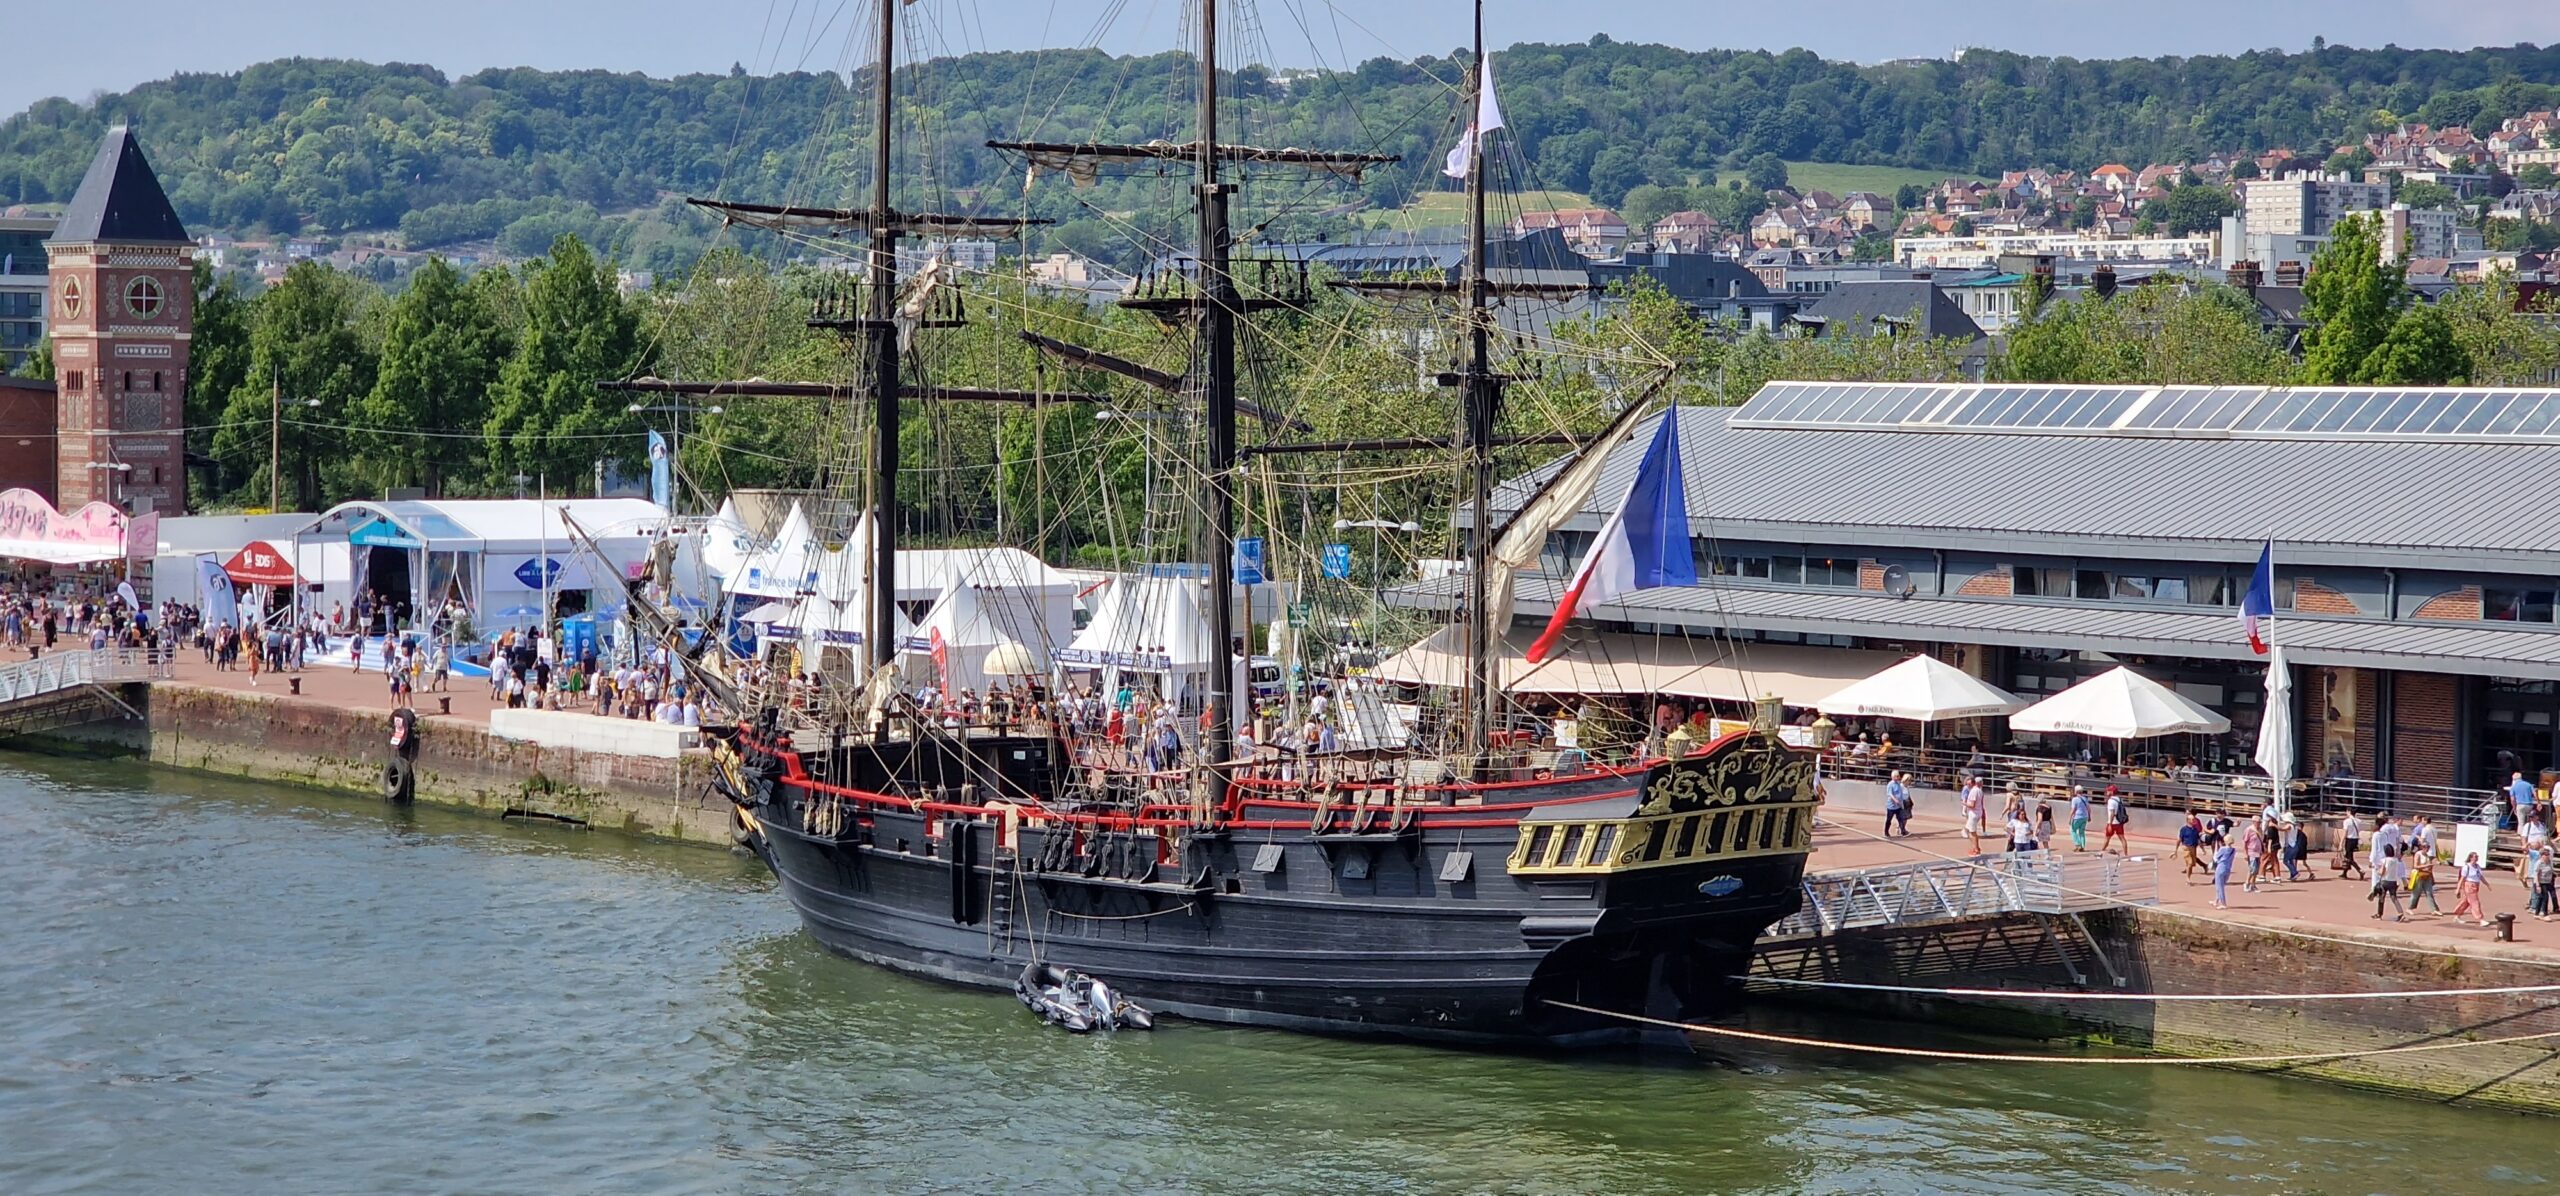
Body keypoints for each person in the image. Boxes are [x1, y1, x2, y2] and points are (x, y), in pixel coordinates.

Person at [2452, 853, 2491, 926]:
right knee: (2475, 902)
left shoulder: (2477, 866)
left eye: (2477, 857)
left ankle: (2457, 915)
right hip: (2469, 886)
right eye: (2475, 857)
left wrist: (2487, 884)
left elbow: (2480, 877)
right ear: (2471, 858)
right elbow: (2462, 878)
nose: (2476, 858)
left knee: (2466, 902)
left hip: (2476, 885)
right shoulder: (2467, 867)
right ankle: (2481, 919)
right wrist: (2458, 889)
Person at [2371, 843, 2408, 921]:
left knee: (2381, 898)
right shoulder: (2395, 860)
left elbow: (2382, 872)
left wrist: (2376, 870)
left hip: (2385, 881)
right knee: (2394, 898)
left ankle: (2379, 914)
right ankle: (2400, 913)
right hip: (2393, 882)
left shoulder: (2384, 860)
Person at [2406, 847, 2442, 916]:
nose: (2427, 849)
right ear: (2422, 847)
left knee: (2429, 892)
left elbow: (2430, 865)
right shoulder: (2418, 854)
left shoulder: (2427, 855)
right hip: (2419, 875)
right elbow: (2415, 866)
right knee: (2416, 893)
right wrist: (2426, 865)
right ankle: (2409, 908)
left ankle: (2434, 909)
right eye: (2426, 847)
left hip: (2427, 875)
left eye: (2428, 847)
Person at [2209, 832, 2237, 909]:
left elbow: (2216, 857)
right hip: (2228, 868)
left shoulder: (2222, 849)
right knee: (2221, 884)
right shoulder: (2234, 850)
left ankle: (2223, 903)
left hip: (2221, 867)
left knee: (2219, 886)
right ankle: (2216, 900)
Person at [2337, 812, 2367, 880]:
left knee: (2349, 858)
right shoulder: (2358, 821)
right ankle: (2344, 873)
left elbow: (2345, 832)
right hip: (2355, 839)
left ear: (2349, 812)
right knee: (2348, 856)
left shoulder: (2347, 821)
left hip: (2349, 840)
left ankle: (2360, 870)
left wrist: (2341, 843)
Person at [1960, 776, 1986, 855]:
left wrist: (1964, 803)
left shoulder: (1974, 791)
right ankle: (1975, 847)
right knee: (1968, 829)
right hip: (1977, 812)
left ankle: (1976, 849)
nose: (1968, 786)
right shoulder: (1979, 791)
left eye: (1969, 784)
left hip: (1974, 813)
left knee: (1972, 833)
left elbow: (1972, 805)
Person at [2101, 787, 2130, 855]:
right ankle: (2126, 854)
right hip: (2119, 822)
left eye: (2108, 791)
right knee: (2122, 838)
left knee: (2107, 838)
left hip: (2113, 822)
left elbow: (2112, 813)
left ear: (2111, 792)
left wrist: (2110, 824)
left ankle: (2101, 851)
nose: (2107, 792)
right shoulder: (2118, 799)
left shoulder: (2111, 801)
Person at [1882, 771, 1911, 838]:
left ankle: (1903, 831)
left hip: (1898, 806)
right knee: (1889, 819)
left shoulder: (1898, 784)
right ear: (1893, 777)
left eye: (1898, 776)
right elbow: (1890, 794)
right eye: (1897, 776)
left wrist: (1901, 803)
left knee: (1900, 819)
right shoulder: (1890, 784)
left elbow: (1900, 793)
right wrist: (1895, 800)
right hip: (1891, 806)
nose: (1898, 777)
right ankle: (1886, 832)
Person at [2176, 813, 2203, 881]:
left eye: (2194, 819)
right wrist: (2175, 850)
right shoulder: (2183, 829)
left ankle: (2188, 877)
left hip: (2193, 848)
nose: (2194, 820)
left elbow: (2198, 840)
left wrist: (2203, 849)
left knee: (2191, 865)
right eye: (2192, 819)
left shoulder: (2195, 830)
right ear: (2188, 820)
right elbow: (2179, 839)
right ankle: (2188, 879)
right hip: (2186, 848)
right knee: (2190, 863)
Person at [2067, 785, 2092, 852]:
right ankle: (2083, 846)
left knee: (2073, 830)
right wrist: (2089, 816)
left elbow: (2073, 809)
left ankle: (2078, 844)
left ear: (2076, 791)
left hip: (2077, 817)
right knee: (2082, 832)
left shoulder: (2074, 799)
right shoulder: (2085, 798)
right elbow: (2088, 808)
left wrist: (2070, 818)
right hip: (2084, 817)